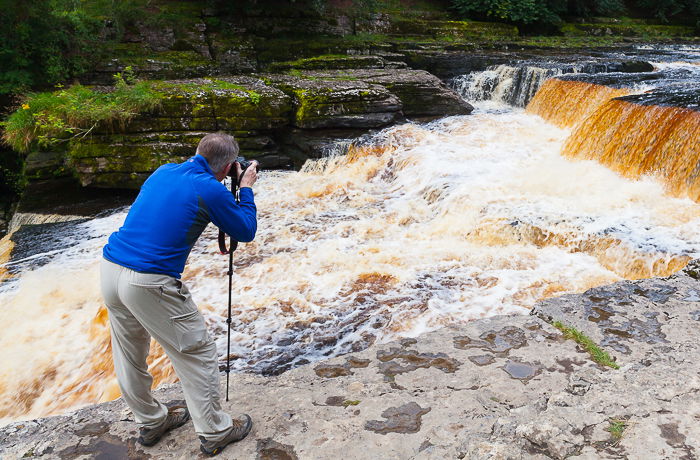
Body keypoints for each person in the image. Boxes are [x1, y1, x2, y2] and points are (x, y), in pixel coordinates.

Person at [100, 132, 258, 456]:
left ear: (198, 151)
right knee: (196, 352)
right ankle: (215, 432)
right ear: (228, 167)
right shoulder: (210, 188)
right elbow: (246, 229)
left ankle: (152, 421)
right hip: (148, 281)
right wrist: (246, 189)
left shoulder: (164, 171)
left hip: (110, 268)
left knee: (129, 354)